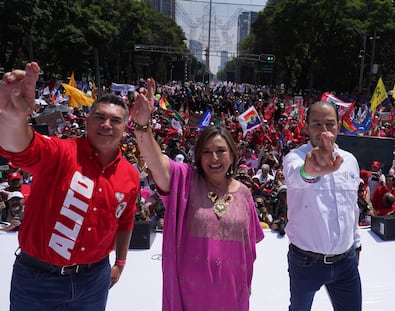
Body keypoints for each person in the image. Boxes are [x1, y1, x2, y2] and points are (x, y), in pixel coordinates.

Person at [0, 62, 140, 310]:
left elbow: (125, 221)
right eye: (100, 117)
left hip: (93, 281)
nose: (106, 124)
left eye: (115, 120)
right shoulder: (60, 152)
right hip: (37, 281)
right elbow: (19, 148)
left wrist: (120, 262)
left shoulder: (130, 176)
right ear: (87, 121)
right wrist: (13, 119)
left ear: (126, 128)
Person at [131, 78, 264, 310]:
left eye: (221, 151)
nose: (214, 158)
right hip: (190, 296)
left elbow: (248, 250)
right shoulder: (184, 182)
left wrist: (247, 285)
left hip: (232, 294)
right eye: (207, 152)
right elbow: (155, 161)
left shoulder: (244, 194)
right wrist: (142, 126)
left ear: (232, 155)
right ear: (199, 157)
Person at [283, 101, 362, 311]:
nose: (324, 131)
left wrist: (356, 244)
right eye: (317, 124)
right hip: (306, 262)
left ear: (338, 125)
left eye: (330, 124)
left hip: (346, 262)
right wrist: (310, 170)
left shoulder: (350, 160)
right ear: (306, 126)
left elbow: (351, 208)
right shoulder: (295, 158)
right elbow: (297, 176)